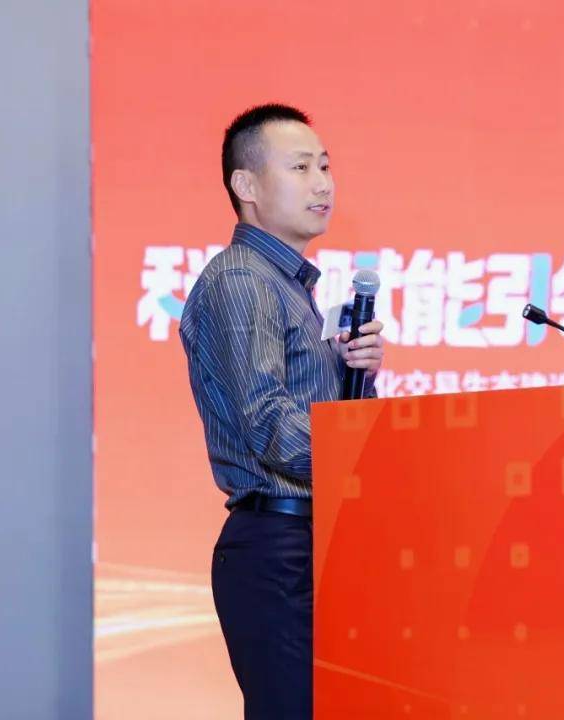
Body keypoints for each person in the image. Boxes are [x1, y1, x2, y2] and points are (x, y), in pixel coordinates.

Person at [179, 103, 384, 718]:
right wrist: (375, 463)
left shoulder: (286, 285)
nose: (322, 183)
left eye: (325, 166)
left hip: (310, 539)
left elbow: (303, 416)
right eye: (300, 168)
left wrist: (353, 377)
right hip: (278, 547)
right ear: (246, 185)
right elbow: (269, 425)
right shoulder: (243, 279)